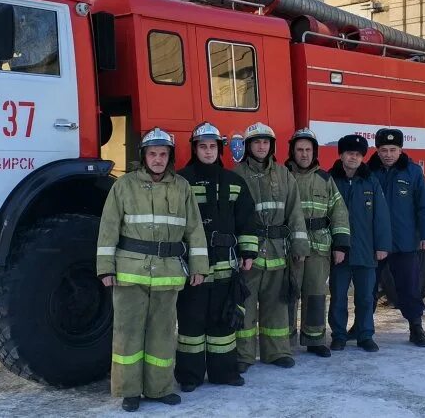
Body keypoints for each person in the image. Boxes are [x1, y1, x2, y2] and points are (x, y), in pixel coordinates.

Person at [96, 127, 209, 412]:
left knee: (162, 334)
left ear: (170, 157)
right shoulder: (123, 185)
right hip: (129, 273)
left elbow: (195, 230)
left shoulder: (182, 186)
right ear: (143, 156)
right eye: (152, 154)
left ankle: (158, 389)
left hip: (168, 273)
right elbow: (108, 229)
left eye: (163, 154)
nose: (157, 159)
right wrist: (105, 269)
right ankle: (129, 391)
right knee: (127, 333)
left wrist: (199, 267)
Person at [175, 122, 257, 391]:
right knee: (191, 323)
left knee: (223, 322)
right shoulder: (181, 181)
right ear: (194, 149)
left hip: (225, 266)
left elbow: (247, 221)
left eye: (212, 147)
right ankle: (190, 376)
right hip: (193, 268)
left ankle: (225, 373)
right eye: (203, 147)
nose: (208, 151)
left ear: (219, 149)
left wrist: (248, 252)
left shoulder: (234, 182)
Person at [233, 122, 309, 371]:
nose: (261, 146)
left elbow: (295, 212)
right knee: (245, 305)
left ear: (272, 145)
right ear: (248, 146)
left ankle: (276, 351)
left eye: (265, 142)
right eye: (256, 142)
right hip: (249, 253)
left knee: (277, 305)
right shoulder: (237, 174)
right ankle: (243, 356)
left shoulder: (284, 174)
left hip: (278, 251)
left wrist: (299, 246)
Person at [285, 128, 351, 358]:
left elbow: (339, 211)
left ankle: (315, 339)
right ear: (292, 152)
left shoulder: (325, 178)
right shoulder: (283, 176)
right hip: (289, 246)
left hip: (319, 246)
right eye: (300, 150)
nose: (304, 154)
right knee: (288, 293)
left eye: (308, 150)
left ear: (315, 153)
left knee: (315, 294)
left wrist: (341, 245)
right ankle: (284, 342)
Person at [368, 128, 425, 347]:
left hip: (404, 242)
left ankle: (415, 327)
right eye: (383, 150)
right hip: (374, 242)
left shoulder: (413, 172)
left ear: (400, 150)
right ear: (377, 150)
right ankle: (363, 328)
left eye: (393, 149)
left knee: (409, 287)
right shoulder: (368, 172)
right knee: (368, 287)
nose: (388, 154)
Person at [329, 135, 392, 352]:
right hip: (340, 252)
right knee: (338, 297)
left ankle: (365, 335)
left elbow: (381, 216)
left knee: (365, 297)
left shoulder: (370, 181)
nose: (353, 158)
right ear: (341, 155)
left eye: (358, 154)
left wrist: (382, 245)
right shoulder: (330, 180)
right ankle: (338, 335)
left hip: (366, 251)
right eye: (349, 153)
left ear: (362, 157)